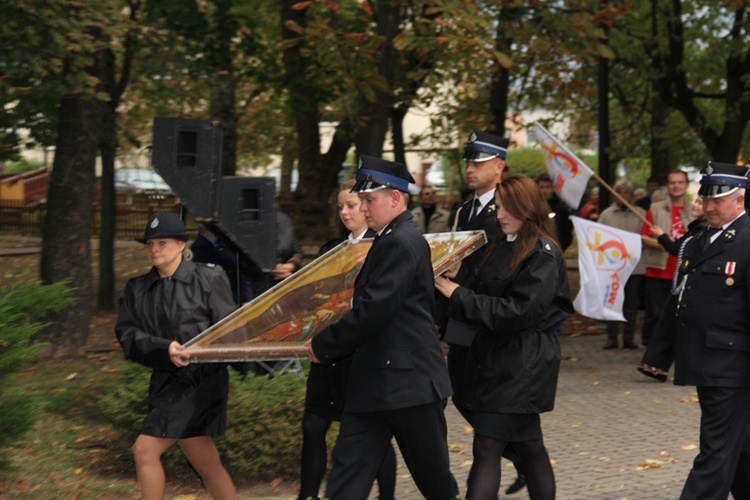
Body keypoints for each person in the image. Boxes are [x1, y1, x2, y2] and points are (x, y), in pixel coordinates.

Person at [306, 156, 458, 499]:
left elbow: (373, 310)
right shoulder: (388, 239)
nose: (364, 207)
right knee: (346, 479)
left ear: (395, 198)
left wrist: (325, 344)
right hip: (375, 384)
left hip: (409, 387)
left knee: (436, 484)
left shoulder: (400, 241)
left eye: (369, 200)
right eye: (361, 200)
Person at [435, 174, 574, 499]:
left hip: (522, 364)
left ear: (527, 208)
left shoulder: (543, 253)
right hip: (497, 361)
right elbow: (490, 287)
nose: (499, 215)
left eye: (507, 208)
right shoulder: (503, 244)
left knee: (487, 445)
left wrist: (458, 295)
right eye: (498, 207)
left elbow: (517, 312)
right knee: (530, 448)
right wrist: (463, 276)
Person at [641, 161, 750, 499]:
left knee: (716, 449)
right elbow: (681, 301)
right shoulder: (699, 238)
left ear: (740, 199)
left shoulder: (746, 239)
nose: (710, 206)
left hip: (733, 366)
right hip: (705, 362)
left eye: (719, 200)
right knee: (739, 446)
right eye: (706, 199)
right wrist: (658, 355)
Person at [115, 212, 238, 500]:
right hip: (165, 382)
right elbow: (128, 335)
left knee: (144, 450)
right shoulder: (138, 288)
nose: (155, 249)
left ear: (182, 245)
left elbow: (230, 331)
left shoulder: (209, 278)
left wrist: (201, 352)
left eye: (162, 243)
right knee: (206, 462)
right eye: (150, 244)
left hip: (201, 383)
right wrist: (164, 348)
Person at [298, 179, 396, 500]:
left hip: (362, 354)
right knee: (313, 426)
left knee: (374, 433)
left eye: (351, 205)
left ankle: (386, 496)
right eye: (340, 206)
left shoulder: (383, 246)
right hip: (328, 352)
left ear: (366, 206)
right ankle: (308, 496)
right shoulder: (330, 249)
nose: (344, 212)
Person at [446, 130, 527, 495]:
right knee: (461, 394)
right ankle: (520, 454)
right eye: (468, 162)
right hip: (462, 314)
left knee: (487, 412)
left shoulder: (509, 208)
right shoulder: (464, 209)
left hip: (493, 316)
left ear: (499, 166)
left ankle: (510, 452)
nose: (470, 169)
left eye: (478, 162)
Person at [640, 169, 694, 346]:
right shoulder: (656, 208)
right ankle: (651, 347)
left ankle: (676, 346)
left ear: (686, 185)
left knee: (682, 313)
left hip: (684, 271)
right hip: (658, 269)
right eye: (673, 182)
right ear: (667, 186)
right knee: (656, 313)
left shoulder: (695, 209)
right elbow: (644, 236)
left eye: (680, 182)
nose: (676, 186)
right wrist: (665, 245)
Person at [597, 180, 646, 349]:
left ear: (632, 196)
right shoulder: (607, 215)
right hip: (612, 267)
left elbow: (646, 238)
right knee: (612, 301)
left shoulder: (641, 214)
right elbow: (599, 238)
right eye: (620, 192)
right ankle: (611, 337)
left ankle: (629, 338)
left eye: (627, 193)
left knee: (631, 304)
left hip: (634, 267)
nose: (623, 196)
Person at [191, 223, 254, 306]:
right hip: (220, 299)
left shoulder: (226, 243)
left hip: (235, 295)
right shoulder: (200, 249)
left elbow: (241, 269)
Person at [536, 172, 574, 251]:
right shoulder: (532, 207)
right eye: (541, 187)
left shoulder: (562, 209)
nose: (544, 190)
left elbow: (567, 234)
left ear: (553, 188)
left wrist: (557, 249)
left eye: (547, 187)